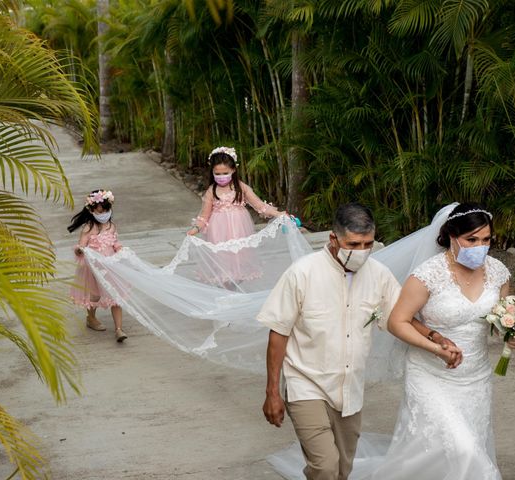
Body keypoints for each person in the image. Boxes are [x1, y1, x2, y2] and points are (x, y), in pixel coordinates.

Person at [257, 203, 461, 480]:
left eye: (367, 244)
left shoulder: (378, 275)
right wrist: (272, 392)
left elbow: (400, 318)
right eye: (353, 244)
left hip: (350, 391)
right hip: (305, 384)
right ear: (333, 239)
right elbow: (278, 332)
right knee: (325, 466)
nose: (361, 251)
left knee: (342, 470)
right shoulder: (302, 274)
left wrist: (435, 339)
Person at [357, 202, 515, 480]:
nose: (480, 247)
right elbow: (397, 321)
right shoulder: (428, 275)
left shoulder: (497, 272)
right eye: (471, 240)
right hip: (431, 375)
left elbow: (501, 318)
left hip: (476, 378)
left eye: (486, 240)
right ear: (451, 236)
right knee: (465, 451)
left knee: (457, 449)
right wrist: (435, 347)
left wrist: (513, 334)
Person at [186, 146, 287, 286]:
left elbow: (260, 206)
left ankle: (233, 289)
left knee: (240, 262)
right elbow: (204, 216)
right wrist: (196, 228)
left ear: (233, 170)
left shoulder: (241, 187)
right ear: (212, 172)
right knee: (223, 263)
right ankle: (228, 291)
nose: (221, 177)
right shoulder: (211, 191)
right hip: (219, 231)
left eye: (225, 173)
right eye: (217, 174)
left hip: (240, 229)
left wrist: (278, 213)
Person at [68, 189, 127, 342]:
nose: (103, 214)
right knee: (95, 295)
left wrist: (120, 249)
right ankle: (91, 318)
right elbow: (81, 245)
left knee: (115, 296)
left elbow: (114, 242)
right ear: (92, 210)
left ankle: (119, 329)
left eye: (105, 210)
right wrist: (80, 250)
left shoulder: (112, 226)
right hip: (94, 268)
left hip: (110, 267)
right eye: (99, 212)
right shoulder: (89, 227)